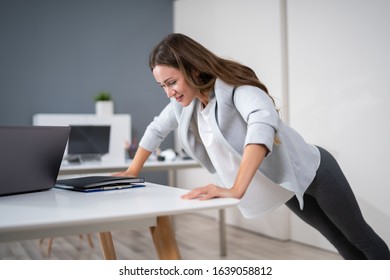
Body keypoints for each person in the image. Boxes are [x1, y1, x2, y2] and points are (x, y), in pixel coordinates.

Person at [116, 33, 390, 260]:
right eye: (162, 86)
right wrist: (132, 171)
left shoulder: (236, 89)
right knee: (341, 244)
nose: (169, 93)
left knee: (360, 238)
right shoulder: (183, 107)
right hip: (287, 184)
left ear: (193, 69)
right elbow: (156, 129)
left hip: (316, 172)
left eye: (172, 82)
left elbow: (262, 126)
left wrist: (236, 188)